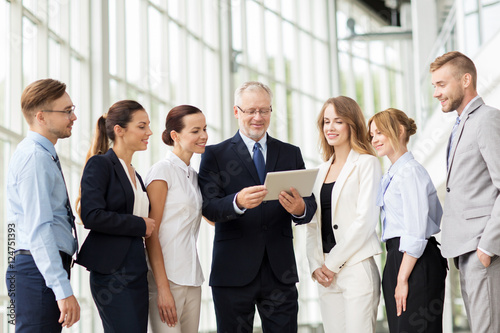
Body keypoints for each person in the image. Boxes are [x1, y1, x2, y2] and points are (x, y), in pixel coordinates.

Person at [198, 81, 317, 332]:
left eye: (264, 110)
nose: (257, 117)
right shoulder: (215, 155)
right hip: (232, 272)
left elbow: (310, 204)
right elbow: (208, 208)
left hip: (279, 273)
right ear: (236, 111)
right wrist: (237, 202)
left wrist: (299, 208)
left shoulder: (290, 153)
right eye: (251, 110)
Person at [430, 51, 500, 331]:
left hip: (483, 248)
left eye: (441, 84)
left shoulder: (487, 120)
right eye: (434, 86)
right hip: (465, 251)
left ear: (466, 80)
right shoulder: (460, 126)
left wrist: (487, 247)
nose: (436, 93)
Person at [5, 78, 80, 331]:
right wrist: (62, 289)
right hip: (36, 271)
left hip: (39, 269)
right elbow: (39, 227)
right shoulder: (35, 158)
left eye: (72, 109)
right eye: (67, 111)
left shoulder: (43, 154)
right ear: (41, 117)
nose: (74, 117)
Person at [76, 100, 155, 332]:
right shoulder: (100, 164)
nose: (149, 132)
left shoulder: (136, 175)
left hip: (137, 270)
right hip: (113, 274)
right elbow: (92, 215)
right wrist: (139, 224)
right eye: (142, 126)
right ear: (119, 130)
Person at [306, 96, 382, 332]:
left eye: (338, 121)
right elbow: (312, 224)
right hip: (326, 272)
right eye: (326, 121)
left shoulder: (367, 163)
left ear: (352, 125)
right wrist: (316, 265)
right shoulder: (319, 171)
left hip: (356, 267)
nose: (330, 127)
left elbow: (366, 222)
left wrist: (332, 264)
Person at [368, 108, 447, 332]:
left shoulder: (410, 172)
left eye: (380, 132)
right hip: (398, 257)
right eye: (372, 134)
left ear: (400, 131)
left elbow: (415, 230)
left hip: (413, 259)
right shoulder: (393, 174)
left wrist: (402, 279)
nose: (375, 139)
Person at [145, 105, 207, 332]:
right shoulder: (162, 172)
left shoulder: (193, 176)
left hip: (192, 278)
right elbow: (150, 233)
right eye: (195, 130)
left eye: (205, 129)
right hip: (167, 281)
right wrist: (162, 288)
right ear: (175, 136)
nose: (204, 136)